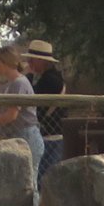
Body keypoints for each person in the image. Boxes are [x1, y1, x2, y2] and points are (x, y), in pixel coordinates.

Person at [0, 43, 45, 189]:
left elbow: (11, 115)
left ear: (6, 62)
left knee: (28, 185)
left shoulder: (19, 84)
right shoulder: (7, 85)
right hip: (13, 138)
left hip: (26, 136)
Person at [23, 39, 67, 177]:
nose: (29, 63)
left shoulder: (50, 80)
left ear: (44, 61)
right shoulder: (48, 78)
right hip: (49, 134)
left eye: (33, 60)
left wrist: (28, 75)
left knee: (45, 178)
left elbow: (31, 99)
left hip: (52, 135)